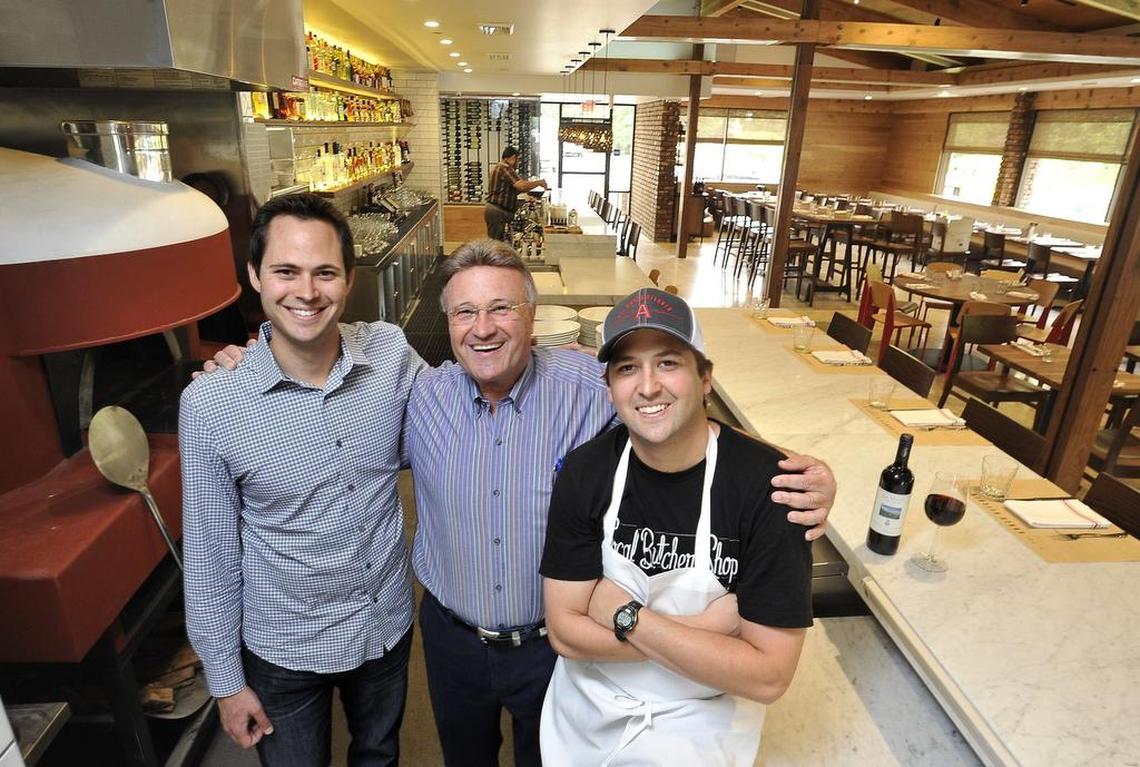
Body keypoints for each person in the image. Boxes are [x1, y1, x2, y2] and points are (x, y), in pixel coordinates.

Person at [200, 239, 836, 767]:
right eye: (464, 313)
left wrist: (794, 471)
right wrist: (249, 356)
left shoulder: (589, 384)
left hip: (555, 646)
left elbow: (674, 406)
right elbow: (326, 413)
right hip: (450, 641)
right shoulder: (419, 396)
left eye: (501, 308)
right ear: (444, 323)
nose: (482, 329)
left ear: (533, 316)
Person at [179, 193, 424, 766]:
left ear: (349, 278)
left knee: (379, 756)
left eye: (325, 273)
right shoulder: (212, 403)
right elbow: (211, 552)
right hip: (283, 649)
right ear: (254, 276)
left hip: (383, 625)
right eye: (285, 271)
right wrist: (225, 681)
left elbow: (459, 416)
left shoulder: (390, 354)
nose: (307, 292)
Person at [539, 288, 814, 766]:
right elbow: (565, 634)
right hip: (586, 722)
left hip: (703, 729)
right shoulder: (586, 472)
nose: (647, 386)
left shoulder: (772, 488)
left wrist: (628, 616)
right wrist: (706, 630)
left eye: (668, 363)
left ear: (705, 377)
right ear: (609, 387)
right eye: (627, 368)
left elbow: (769, 676)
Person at [484, 146, 547, 242]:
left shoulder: (501, 168)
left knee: (499, 242)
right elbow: (521, 186)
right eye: (518, 160)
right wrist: (539, 183)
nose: (519, 163)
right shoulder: (504, 168)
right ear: (513, 157)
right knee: (496, 245)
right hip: (497, 212)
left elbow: (514, 189)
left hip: (497, 211)